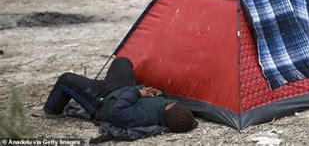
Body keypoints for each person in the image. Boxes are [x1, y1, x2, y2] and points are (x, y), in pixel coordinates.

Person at [42, 57, 197, 133]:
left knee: (66, 79)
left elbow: (117, 111)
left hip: (102, 100)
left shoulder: (142, 117)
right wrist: (159, 93)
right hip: (121, 88)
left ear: (167, 113)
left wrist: (137, 92)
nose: (167, 102)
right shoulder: (169, 111)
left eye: (168, 104)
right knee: (122, 61)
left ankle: (52, 110)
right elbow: (166, 102)